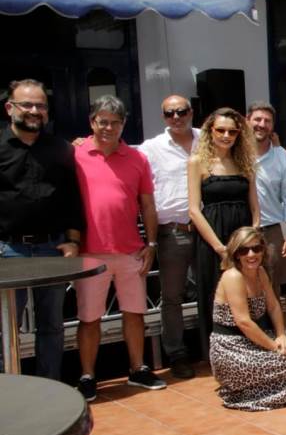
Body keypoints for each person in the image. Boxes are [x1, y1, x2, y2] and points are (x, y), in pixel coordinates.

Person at [72, 95, 165, 400]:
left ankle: (138, 369)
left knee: (135, 313)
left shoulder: (137, 158)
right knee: (89, 318)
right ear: (92, 122)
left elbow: (148, 205)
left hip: (130, 251)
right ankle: (88, 376)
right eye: (102, 121)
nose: (108, 127)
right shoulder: (75, 154)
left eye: (115, 122)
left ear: (124, 124)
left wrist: (151, 242)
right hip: (90, 252)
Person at [0, 78, 84, 380]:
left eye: (41, 106)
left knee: (51, 324)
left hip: (52, 248)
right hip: (9, 251)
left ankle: (50, 386)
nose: (35, 111)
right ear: (10, 108)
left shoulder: (60, 149)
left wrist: (73, 240)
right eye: (27, 105)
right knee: (5, 327)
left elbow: (72, 198)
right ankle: (7, 390)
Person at [209, 226, 286, 411]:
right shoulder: (233, 276)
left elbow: (273, 306)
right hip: (233, 349)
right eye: (244, 250)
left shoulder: (261, 273)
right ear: (236, 254)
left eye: (256, 248)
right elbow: (244, 322)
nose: (251, 254)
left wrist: (281, 336)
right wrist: (276, 347)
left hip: (258, 339)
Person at [188, 107, 259, 360]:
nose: (226, 135)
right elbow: (195, 210)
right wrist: (220, 248)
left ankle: (249, 345)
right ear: (210, 131)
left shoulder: (245, 162)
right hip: (213, 239)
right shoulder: (197, 162)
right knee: (214, 294)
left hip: (243, 238)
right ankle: (218, 355)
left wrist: (253, 238)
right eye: (221, 130)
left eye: (232, 131)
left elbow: (254, 206)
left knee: (248, 291)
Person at [139, 93, 198, 378]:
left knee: (215, 291)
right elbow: (117, 153)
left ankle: (218, 347)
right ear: (163, 117)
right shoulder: (151, 148)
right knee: (172, 297)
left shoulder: (207, 139)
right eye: (169, 113)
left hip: (206, 231)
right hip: (172, 233)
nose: (176, 117)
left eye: (181, 111)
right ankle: (177, 354)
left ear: (191, 112)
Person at [247, 102, 286, 298]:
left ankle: (274, 328)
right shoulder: (234, 152)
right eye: (257, 119)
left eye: (267, 121)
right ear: (247, 121)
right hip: (239, 230)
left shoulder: (281, 156)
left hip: (270, 232)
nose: (262, 124)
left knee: (271, 287)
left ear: (272, 126)